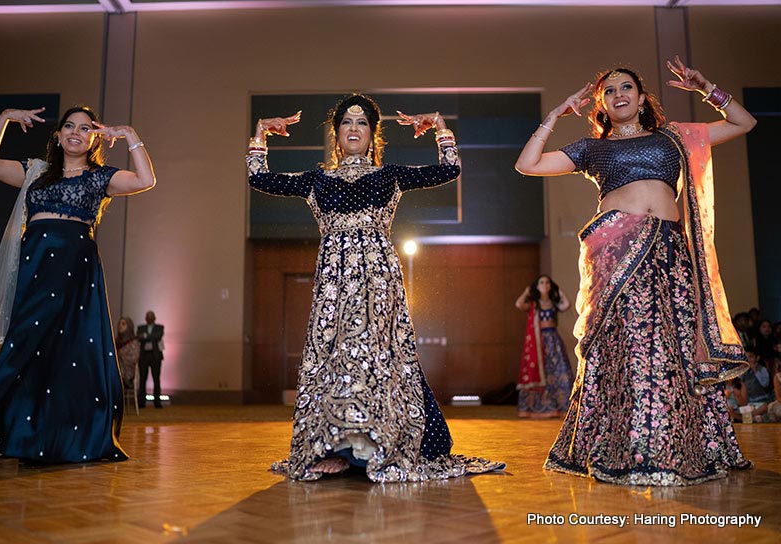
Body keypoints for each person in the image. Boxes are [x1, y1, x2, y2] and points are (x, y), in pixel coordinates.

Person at [514, 57, 755, 485]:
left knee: (675, 346)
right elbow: (528, 164)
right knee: (626, 346)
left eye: (626, 87)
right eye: (609, 91)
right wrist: (554, 116)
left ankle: (681, 446)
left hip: (668, 251)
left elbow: (743, 122)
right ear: (602, 104)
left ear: (642, 98)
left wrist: (706, 88)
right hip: (616, 253)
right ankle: (623, 446)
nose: (618, 94)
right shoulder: (592, 147)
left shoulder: (674, 137)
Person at [247, 93, 504, 482]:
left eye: (362, 122)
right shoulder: (317, 180)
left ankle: (374, 445)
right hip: (333, 282)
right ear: (336, 135)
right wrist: (260, 134)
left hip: (379, 280)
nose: (354, 128)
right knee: (335, 357)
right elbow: (259, 178)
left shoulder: (391, 175)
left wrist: (439, 126)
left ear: (372, 135)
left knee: (375, 356)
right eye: (346, 122)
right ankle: (335, 448)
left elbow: (449, 169)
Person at [0, 105, 156, 462]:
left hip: (76, 269)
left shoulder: (100, 177)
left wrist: (130, 134)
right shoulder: (35, 173)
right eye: (69, 126)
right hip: (35, 265)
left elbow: (146, 180)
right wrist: (5, 117)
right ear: (57, 135)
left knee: (72, 351)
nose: (75, 132)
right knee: (23, 344)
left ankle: (63, 438)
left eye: (85, 129)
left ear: (94, 138)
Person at [514, 275, 574, 418]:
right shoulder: (534, 304)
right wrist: (527, 292)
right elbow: (519, 304)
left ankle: (559, 407)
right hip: (539, 343)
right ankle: (537, 409)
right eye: (541, 282)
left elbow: (566, 305)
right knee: (542, 374)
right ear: (536, 286)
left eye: (547, 282)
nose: (545, 284)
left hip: (553, 341)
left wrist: (558, 291)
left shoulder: (553, 303)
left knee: (559, 372)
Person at [137, 311, 164, 409]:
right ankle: (141, 402)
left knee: (156, 379)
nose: (149, 318)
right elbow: (139, 338)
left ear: (155, 318)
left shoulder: (160, 327)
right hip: (144, 356)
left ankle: (157, 402)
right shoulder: (141, 328)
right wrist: (150, 337)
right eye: (147, 316)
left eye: (151, 316)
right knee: (142, 379)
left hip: (155, 356)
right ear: (145, 318)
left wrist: (145, 336)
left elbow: (158, 336)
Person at [115, 317, 139, 391]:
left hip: (126, 373)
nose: (120, 326)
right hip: (115, 370)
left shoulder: (133, 342)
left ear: (129, 327)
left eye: (123, 324)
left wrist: (119, 357)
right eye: (119, 324)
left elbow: (134, 359)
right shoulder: (115, 341)